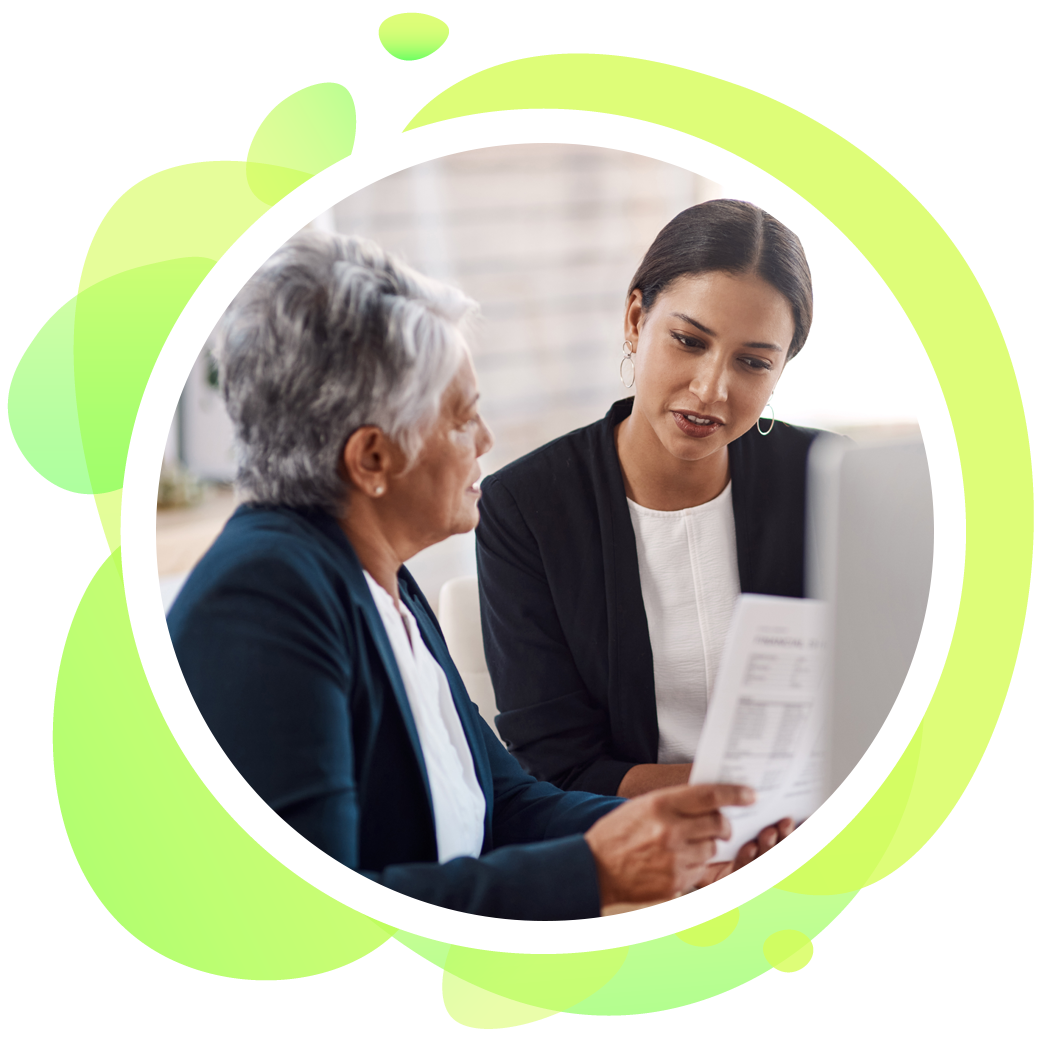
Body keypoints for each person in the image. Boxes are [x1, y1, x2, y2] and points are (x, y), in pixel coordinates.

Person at [168, 230, 766, 922]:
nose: (485, 441)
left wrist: (686, 830)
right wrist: (594, 872)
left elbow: (504, 800)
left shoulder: (378, 579)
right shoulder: (264, 600)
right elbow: (308, 912)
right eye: (461, 419)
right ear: (371, 459)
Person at [476, 200, 816, 840]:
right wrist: (757, 797)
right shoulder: (526, 507)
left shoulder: (826, 478)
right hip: (637, 847)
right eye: (688, 341)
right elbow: (557, 767)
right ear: (636, 320)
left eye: (753, 362)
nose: (711, 389)